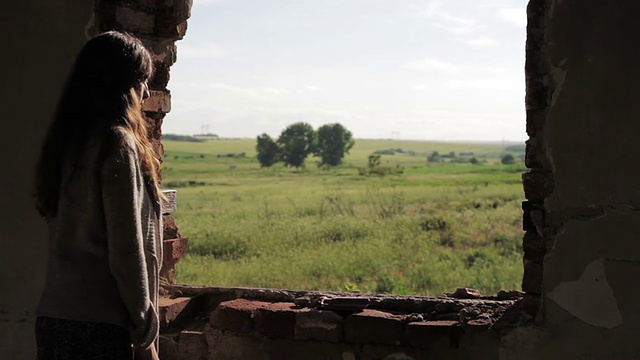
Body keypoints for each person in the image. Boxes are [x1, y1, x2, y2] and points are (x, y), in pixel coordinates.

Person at [34, 31, 163, 360]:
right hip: (100, 326)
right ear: (123, 85)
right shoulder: (118, 143)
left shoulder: (70, 142)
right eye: (142, 80)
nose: (146, 92)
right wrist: (144, 329)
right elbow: (126, 249)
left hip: (54, 317)